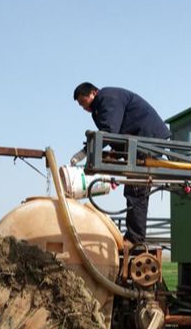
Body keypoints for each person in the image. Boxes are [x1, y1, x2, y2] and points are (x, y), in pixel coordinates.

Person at [71, 83, 171, 245]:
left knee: (136, 187)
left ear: (94, 92)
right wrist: (111, 155)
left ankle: (135, 239)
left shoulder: (106, 97)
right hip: (138, 141)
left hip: (147, 139)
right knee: (134, 186)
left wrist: (84, 152)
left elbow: (109, 131)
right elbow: (115, 134)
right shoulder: (100, 107)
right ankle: (134, 236)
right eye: (81, 105)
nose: (84, 107)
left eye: (84, 101)